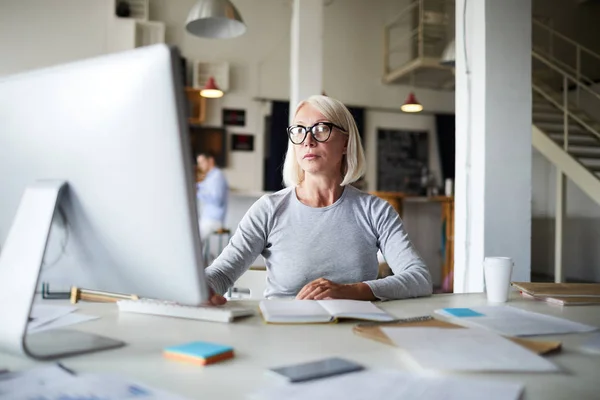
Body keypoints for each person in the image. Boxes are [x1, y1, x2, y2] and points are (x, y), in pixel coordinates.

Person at [205, 95, 432, 305]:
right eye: (299, 130)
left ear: (346, 142)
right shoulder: (269, 209)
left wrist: (350, 291)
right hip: (285, 335)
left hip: (357, 335)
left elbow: (419, 278)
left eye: (321, 128)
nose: (308, 140)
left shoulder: (376, 211)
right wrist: (201, 289)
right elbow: (222, 273)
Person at [196, 151, 229, 242]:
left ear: (210, 161)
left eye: (202, 162)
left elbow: (217, 200)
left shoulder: (217, 176)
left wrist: (198, 192)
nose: (200, 166)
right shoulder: (209, 177)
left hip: (214, 220)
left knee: (193, 240)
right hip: (206, 219)